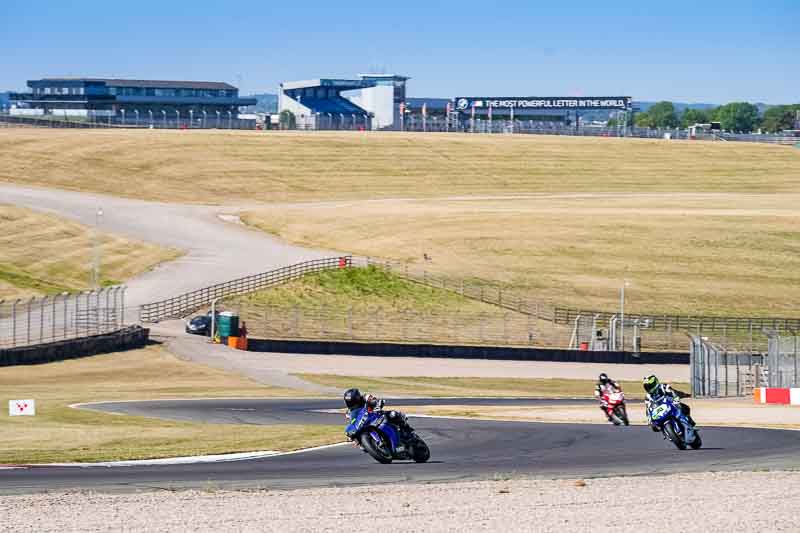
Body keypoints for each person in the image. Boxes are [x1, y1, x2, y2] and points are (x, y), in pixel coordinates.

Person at [343, 388, 414, 436]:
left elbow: (374, 400)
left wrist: (377, 405)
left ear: (357, 398)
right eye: (349, 402)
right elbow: (352, 422)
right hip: (366, 423)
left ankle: (407, 429)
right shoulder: (349, 412)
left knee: (393, 414)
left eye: (352, 401)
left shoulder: (365, 397)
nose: (351, 404)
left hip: (376, 415)